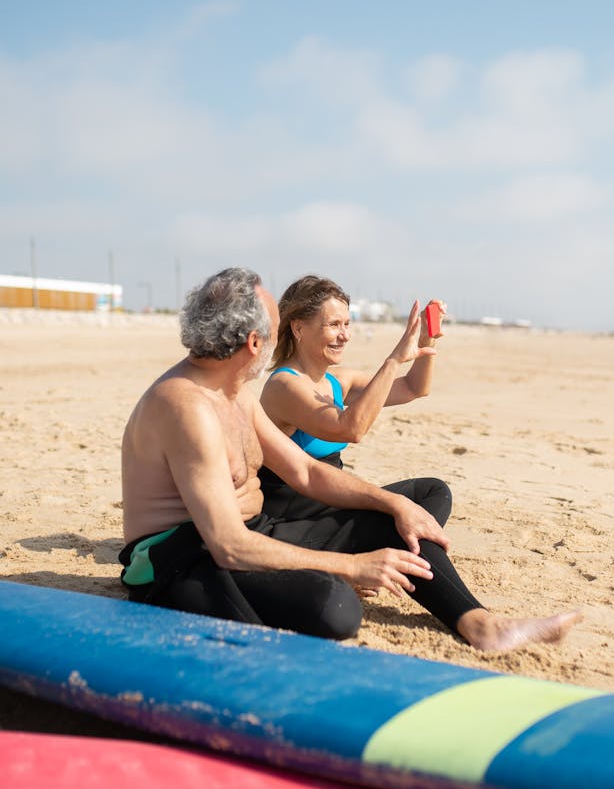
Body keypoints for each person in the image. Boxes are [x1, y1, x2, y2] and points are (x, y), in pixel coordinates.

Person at [120, 267, 581, 653]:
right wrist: (353, 566)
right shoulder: (188, 407)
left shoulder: (234, 393)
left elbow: (304, 471)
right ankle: (342, 574)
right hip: (180, 558)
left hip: (253, 532)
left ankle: (479, 623)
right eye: (278, 328)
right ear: (255, 343)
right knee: (335, 607)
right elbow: (229, 546)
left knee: (400, 522)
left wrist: (394, 505)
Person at [259, 275, 444, 472]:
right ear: (298, 328)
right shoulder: (285, 385)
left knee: (433, 490)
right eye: (334, 324)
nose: (345, 335)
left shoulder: (339, 381)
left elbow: (412, 388)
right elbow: (351, 429)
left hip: (329, 492)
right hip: (291, 498)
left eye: (346, 324)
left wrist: (426, 339)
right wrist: (393, 361)